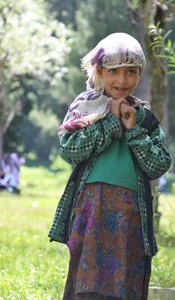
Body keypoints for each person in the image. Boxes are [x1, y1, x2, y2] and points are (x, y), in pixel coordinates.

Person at [48, 32, 172, 300]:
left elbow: (159, 164)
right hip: (91, 213)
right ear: (100, 72)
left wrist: (132, 129)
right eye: (114, 71)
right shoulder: (85, 109)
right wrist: (111, 123)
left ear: (139, 75)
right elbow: (70, 150)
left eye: (131, 72)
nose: (122, 80)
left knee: (125, 283)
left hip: (131, 218)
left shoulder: (144, 119)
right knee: (87, 283)